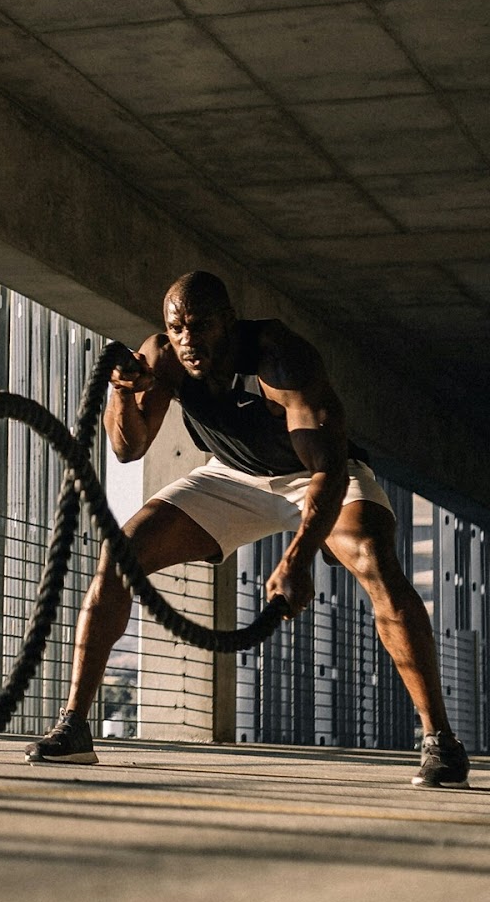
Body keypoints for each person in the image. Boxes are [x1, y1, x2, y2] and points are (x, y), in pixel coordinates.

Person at [26, 271, 469, 788]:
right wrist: (123, 393)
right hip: (231, 475)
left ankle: (440, 740)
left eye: (202, 325)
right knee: (120, 554)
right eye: (177, 327)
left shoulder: (281, 358)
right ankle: (75, 727)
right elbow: (129, 448)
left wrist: (297, 559)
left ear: (229, 323)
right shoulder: (165, 356)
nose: (189, 340)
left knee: (375, 560)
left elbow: (326, 467)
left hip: (317, 476)